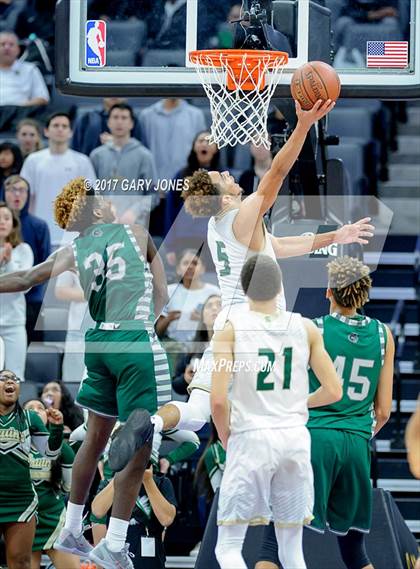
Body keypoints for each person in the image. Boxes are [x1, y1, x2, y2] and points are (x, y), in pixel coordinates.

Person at [109, 98, 375, 472]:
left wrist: (337, 235)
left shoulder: (221, 224)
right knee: (281, 402)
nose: (228, 174)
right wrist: (302, 125)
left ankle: (151, 422)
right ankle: (266, 469)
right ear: (223, 195)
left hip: (228, 326)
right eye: (222, 179)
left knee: (200, 410)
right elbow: (276, 174)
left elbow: (279, 246)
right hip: (256, 325)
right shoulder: (239, 213)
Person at [0, 176, 171, 569]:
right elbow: (161, 294)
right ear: (95, 210)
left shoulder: (74, 248)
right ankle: (113, 542)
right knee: (140, 445)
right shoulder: (134, 232)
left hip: (96, 343)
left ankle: (72, 527)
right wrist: (145, 321)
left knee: (95, 435)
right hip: (132, 340)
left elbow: (27, 279)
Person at [256, 255, 395, 569]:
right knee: (355, 552)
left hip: (314, 438)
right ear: (364, 294)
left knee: (272, 543)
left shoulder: (312, 329)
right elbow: (384, 411)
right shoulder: (384, 335)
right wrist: (358, 432)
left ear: (328, 292)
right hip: (358, 445)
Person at [211, 254, 342, 569]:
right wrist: (296, 404)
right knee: (291, 550)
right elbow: (334, 390)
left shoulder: (229, 330)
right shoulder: (306, 327)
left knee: (227, 548)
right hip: (294, 438)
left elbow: (217, 401)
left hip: (251, 436)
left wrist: (227, 437)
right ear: (280, 286)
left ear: (244, 290)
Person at [0, 369, 63, 569]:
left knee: (21, 563)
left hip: (21, 500)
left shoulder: (30, 419)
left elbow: (50, 456)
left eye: (14, 379)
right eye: (3, 378)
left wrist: (57, 429)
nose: (10, 382)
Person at [20, 112, 96, 247]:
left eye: (64, 126)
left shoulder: (82, 161)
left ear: (71, 132)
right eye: (56, 125)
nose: (60, 129)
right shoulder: (33, 160)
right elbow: (25, 197)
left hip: (72, 237)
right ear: (46, 131)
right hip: (41, 235)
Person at [23, 398, 79, 569]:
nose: (34, 411)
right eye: (29, 408)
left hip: (54, 519)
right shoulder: (10, 447)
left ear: (48, 416)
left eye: (40, 408)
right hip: (23, 520)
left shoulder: (62, 448)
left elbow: (69, 488)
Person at [91, 465, 177, 569]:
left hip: (150, 560)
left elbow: (167, 519)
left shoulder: (161, 482)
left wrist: (148, 481)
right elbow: (97, 511)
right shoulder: (111, 483)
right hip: (119, 558)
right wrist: (120, 477)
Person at [89, 102, 157, 226]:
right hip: (102, 224)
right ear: (108, 122)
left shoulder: (144, 155)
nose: (119, 122)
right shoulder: (97, 155)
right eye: (115, 117)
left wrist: (134, 211)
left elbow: (153, 194)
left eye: (124, 118)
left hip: (133, 224)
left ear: (131, 123)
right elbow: (90, 191)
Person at [4, 174, 51, 343]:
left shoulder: (39, 226)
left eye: (22, 190)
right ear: (4, 193)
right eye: (12, 190)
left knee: (31, 352)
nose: (17, 194)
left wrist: (28, 286)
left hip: (32, 298)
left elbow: (46, 264)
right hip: (3, 297)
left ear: (28, 194)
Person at [164, 130, 220, 266]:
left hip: (211, 240)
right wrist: (170, 246)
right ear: (194, 146)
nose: (204, 144)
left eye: (209, 141)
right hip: (183, 239)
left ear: (217, 149)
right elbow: (170, 211)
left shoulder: (224, 177)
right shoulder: (181, 175)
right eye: (200, 141)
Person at [156, 250, 220, 346]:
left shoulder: (214, 292)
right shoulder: (168, 291)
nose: (190, 267)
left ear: (203, 269)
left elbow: (222, 325)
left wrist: (202, 319)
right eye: (185, 263)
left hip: (206, 344)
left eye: (195, 263)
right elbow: (158, 331)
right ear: (178, 269)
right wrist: (169, 319)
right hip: (174, 346)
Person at [0, 201, 33, 379]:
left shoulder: (23, 250)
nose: (2, 222)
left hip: (14, 323)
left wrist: (10, 260)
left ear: (13, 224)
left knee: (14, 377)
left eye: (6, 218)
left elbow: (23, 285)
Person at [139, 98, 206, 182]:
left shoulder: (196, 115)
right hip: (155, 185)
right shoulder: (146, 116)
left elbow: (200, 153)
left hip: (187, 183)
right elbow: (142, 153)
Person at [172, 294, 222, 396]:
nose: (214, 308)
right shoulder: (191, 347)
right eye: (209, 306)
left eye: (220, 305)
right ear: (202, 318)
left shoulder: (237, 346)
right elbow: (176, 385)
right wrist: (186, 379)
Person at [54, 270, 92, 383]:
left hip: (111, 331)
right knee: (74, 381)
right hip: (79, 333)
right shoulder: (73, 254)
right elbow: (60, 291)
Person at [71, 98, 143, 156]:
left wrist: (117, 142)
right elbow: (74, 151)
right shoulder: (87, 119)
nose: (114, 92)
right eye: (110, 86)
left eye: (124, 118)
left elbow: (140, 150)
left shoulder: (135, 121)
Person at [0, 31, 49, 107]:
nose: (7, 48)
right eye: (2, 44)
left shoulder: (30, 69)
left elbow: (42, 98)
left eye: (11, 44)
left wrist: (20, 108)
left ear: (18, 50)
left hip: (22, 112)